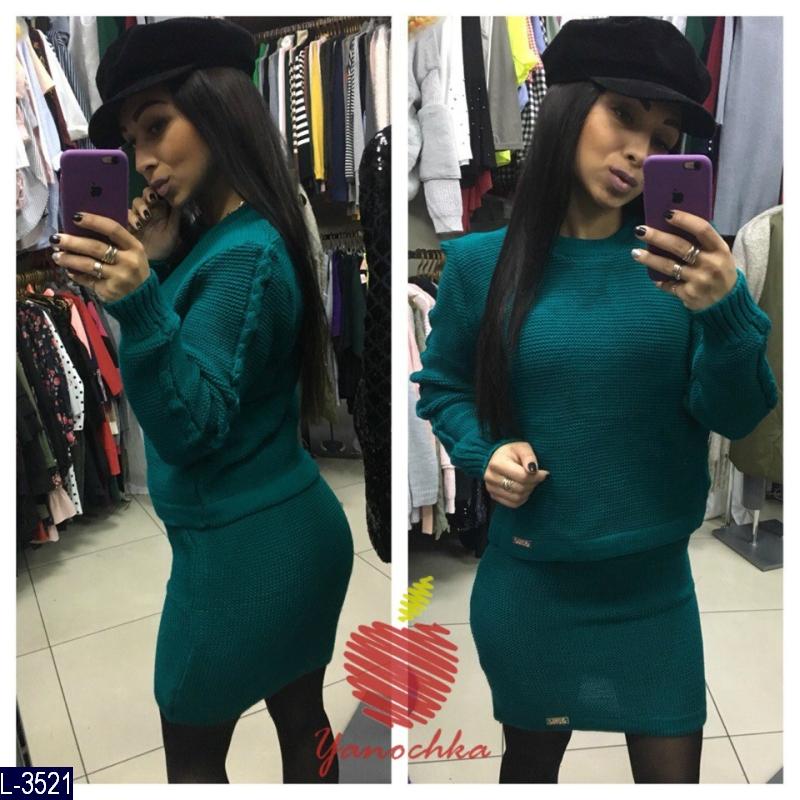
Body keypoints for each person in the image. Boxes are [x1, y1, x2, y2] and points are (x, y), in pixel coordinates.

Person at [411, 17, 778, 784]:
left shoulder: (687, 271)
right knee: (529, 769)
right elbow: (442, 386)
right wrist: (485, 452)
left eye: (664, 135)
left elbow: (738, 415)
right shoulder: (480, 265)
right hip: (533, 584)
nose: (641, 150)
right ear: (569, 107)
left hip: (654, 591)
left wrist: (725, 311)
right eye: (624, 115)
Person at [49, 17, 354, 783]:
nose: (144, 159)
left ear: (220, 108)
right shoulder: (234, 235)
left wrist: (140, 301)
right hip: (276, 530)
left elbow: (192, 427)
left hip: (245, 552)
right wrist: (156, 264)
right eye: (132, 141)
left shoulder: (245, 252)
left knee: (191, 753)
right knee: (303, 720)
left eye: (157, 126)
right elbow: (207, 367)